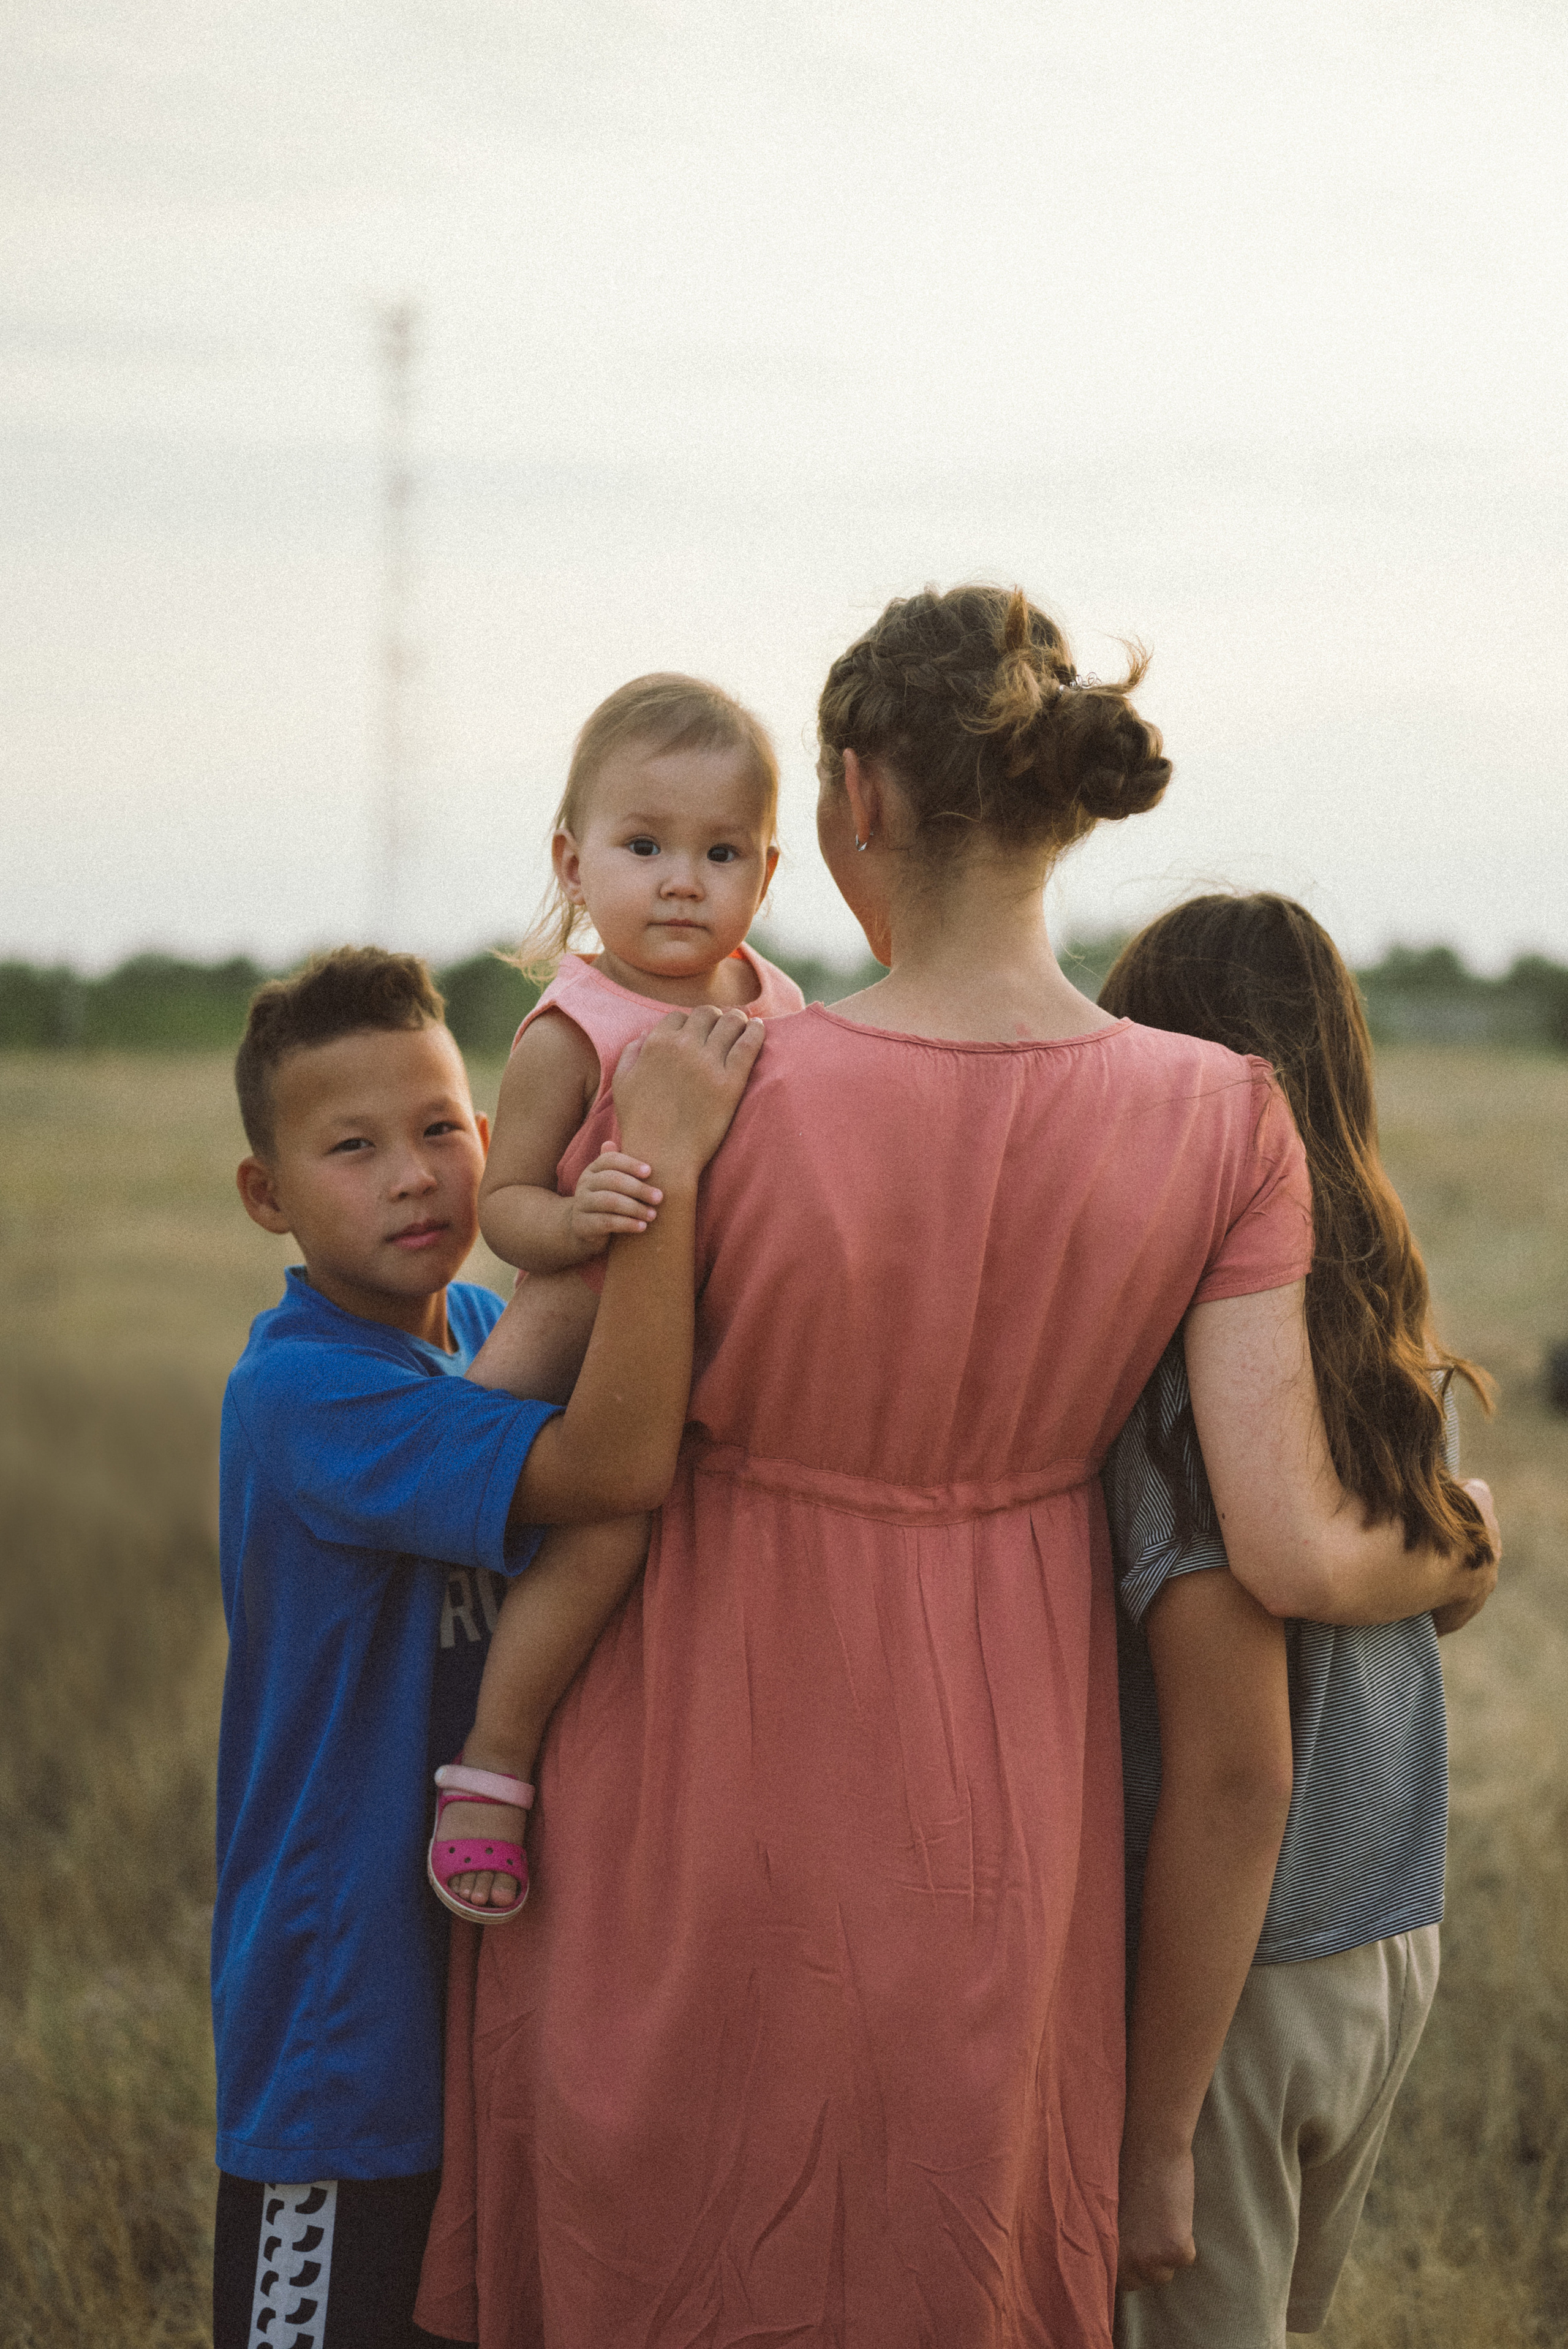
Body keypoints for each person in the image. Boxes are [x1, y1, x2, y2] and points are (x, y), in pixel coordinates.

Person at [415, 586, 1498, 2349]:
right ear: (1065, 810)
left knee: (676, 2241)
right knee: (950, 2247)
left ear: (854, 798)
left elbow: (560, 1435)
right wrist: (1465, 1541)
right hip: (1004, 1767)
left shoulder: (714, 1081)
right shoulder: (1229, 1116)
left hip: (701, 1724)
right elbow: (1288, 1527)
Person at [213, 945, 763, 2349]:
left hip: (484, 2007)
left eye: (442, 1128)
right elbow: (617, 1462)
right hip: (343, 2028)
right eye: (352, 1149)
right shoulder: (304, 1394)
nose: (415, 1175)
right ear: (264, 1196)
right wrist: (664, 1176)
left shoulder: (472, 1326)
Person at [1098, 895, 1498, 2348]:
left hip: (1241, 1973)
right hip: (1385, 1941)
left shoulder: (1187, 1376)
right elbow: (1406, 1616)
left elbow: (1235, 1771)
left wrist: (1151, 2136)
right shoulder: (1371, 1331)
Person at [432, 673, 803, 1921]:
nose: (681, 879)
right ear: (574, 862)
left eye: (717, 851)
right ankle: (488, 1765)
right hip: (568, 1372)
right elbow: (504, 1210)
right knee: (601, 1539)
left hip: (705, 1366)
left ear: (765, 871)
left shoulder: (780, 1014)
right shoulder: (569, 1030)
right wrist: (576, 1217)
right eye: (643, 846)